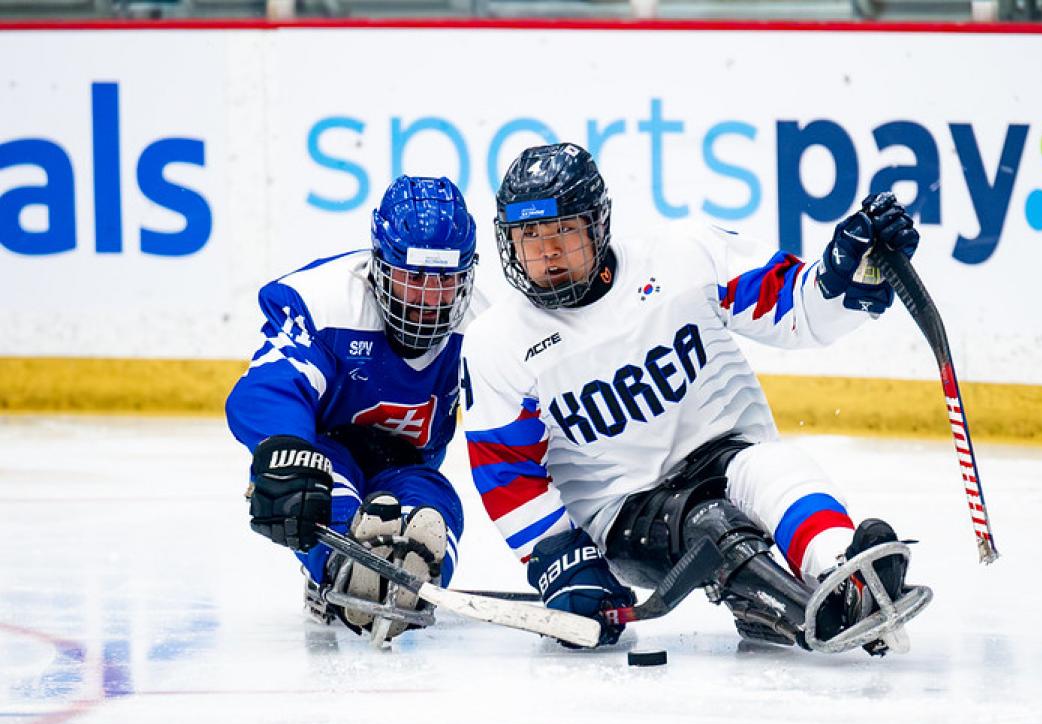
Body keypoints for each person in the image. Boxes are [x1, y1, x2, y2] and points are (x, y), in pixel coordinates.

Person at [460, 142, 928, 654]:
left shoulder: (684, 256)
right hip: (626, 515)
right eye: (529, 237)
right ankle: (817, 618)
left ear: (597, 225)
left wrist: (844, 277)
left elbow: (799, 309)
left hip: (728, 458)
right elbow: (509, 476)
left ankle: (846, 573)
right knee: (713, 526)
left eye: (563, 233)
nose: (546, 253)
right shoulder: (496, 342)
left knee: (778, 467)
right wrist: (560, 558)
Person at [226, 175, 479, 646]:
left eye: (445, 280)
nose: (428, 298)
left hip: (406, 464)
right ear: (380, 265)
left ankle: (415, 574)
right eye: (415, 277)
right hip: (326, 451)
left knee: (435, 504)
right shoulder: (327, 301)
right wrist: (285, 450)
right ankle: (341, 566)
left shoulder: (485, 330)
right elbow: (268, 387)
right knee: (327, 490)